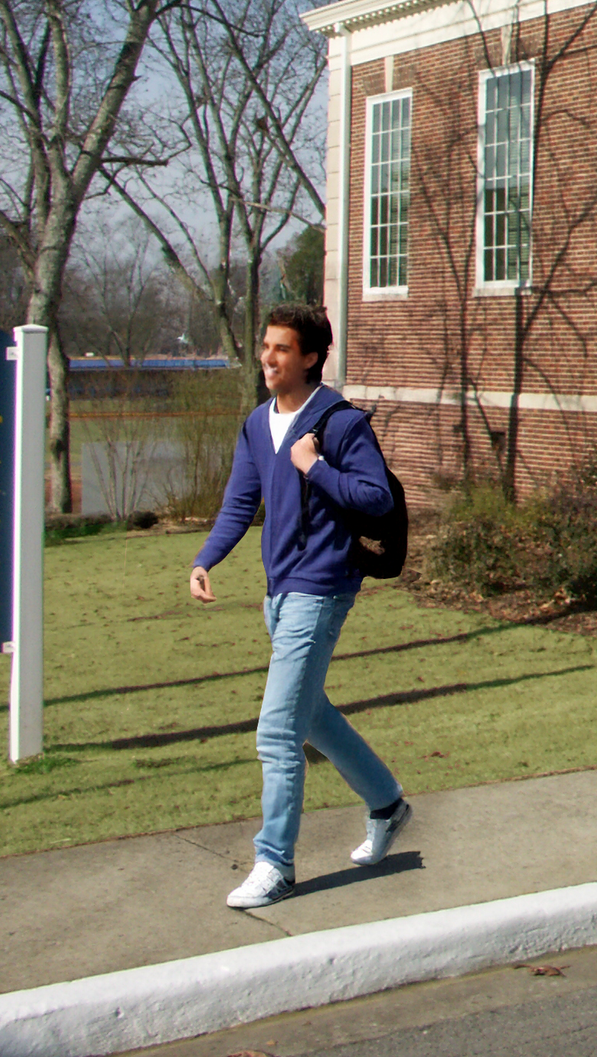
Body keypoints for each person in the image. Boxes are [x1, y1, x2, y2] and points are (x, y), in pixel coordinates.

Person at [189, 304, 411, 908]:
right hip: (279, 590)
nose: (268, 357)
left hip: (323, 586)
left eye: (281, 349)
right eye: (266, 346)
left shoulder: (340, 424)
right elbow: (240, 501)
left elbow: (372, 497)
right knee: (311, 715)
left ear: (310, 357)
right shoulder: (258, 423)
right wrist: (206, 559)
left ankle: (274, 863)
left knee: (278, 730)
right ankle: (388, 805)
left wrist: (314, 468)